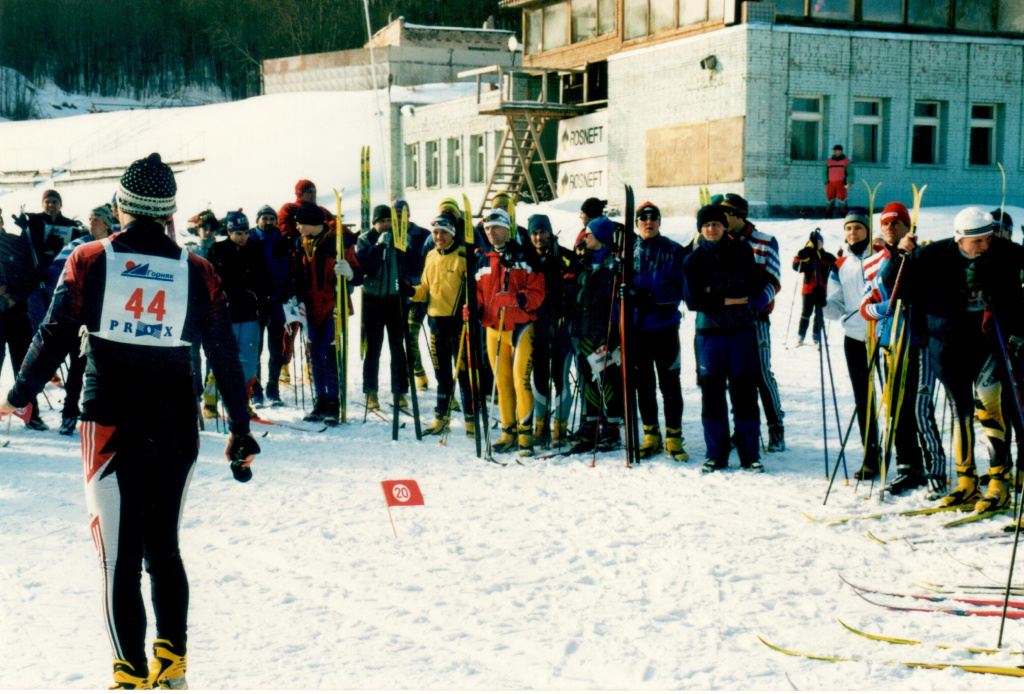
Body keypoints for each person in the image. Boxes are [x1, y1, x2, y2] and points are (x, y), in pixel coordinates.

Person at [0, 153, 260, 689]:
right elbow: (224, 355)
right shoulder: (199, 268)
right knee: (164, 548)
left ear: (121, 206)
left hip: (112, 423)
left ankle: (130, 674)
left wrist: (20, 394)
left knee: (119, 557)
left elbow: (53, 335)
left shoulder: (90, 258)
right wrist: (240, 425)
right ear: (169, 212)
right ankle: (173, 665)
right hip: (175, 424)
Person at [884, 207, 1024, 511]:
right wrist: (900, 257)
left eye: (989, 238)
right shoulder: (933, 255)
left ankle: (998, 482)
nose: (986, 245)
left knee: (989, 405)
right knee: (959, 411)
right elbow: (893, 287)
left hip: (989, 342)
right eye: (979, 242)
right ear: (960, 239)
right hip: (947, 345)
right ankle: (966, 482)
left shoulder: (1001, 250)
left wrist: (998, 285)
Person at [859, 202, 936, 496]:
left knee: (919, 406)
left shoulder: (922, 255)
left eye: (897, 223)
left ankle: (931, 463)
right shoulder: (873, 262)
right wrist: (885, 308)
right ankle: (907, 466)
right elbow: (865, 307)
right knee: (896, 406)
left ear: (907, 226)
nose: (890, 228)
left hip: (917, 340)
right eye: (886, 224)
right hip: (889, 343)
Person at [683, 205, 762, 472]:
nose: (711, 229)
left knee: (744, 394)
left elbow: (748, 285)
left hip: (740, 332)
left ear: (725, 226)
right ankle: (716, 454)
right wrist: (729, 297)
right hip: (709, 336)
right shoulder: (692, 261)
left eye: (716, 224)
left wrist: (711, 291)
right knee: (712, 395)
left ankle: (749, 454)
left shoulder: (741, 251)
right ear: (700, 229)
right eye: (706, 225)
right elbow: (693, 301)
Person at [472, 208, 544, 455]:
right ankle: (508, 432)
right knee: (501, 383)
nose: (491, 232)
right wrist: (473, 310)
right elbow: (479, 294)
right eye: (487, 228)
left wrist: (517, 299)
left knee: (520, 381)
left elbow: (537, 291)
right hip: (494, 329)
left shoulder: (524, 256)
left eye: (495, 227)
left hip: (521, 327)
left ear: (506, 228)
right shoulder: (483, 259)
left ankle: (525, 436)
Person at [721, 193, 785, 451]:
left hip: (755, 319)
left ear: (739, 215)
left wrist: (755, 306)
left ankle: (776, 428)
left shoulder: (765, 241)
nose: (721, 220)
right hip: (727, 321)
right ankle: (742, 429)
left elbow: (774, 281)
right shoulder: (720, 241)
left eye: (726, 214)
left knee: (760, 373)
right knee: (735, 377)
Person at [824, 208, 883, 479]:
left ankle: (908, 457)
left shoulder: (882, 256)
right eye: (848, 228)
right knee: (864, 398)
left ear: (868, 230)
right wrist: (819, 302)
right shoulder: (840, 265)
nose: (853, 233)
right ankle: (871, 455)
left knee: (892, 397)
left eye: (858, 228)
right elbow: (835, 306)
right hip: (855, 338)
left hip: (883, 337)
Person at [628, 201, 688, 461]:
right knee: (643, 385)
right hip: (638, 330)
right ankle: (651, 435)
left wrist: (650, 297)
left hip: (664, 329)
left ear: (659, 223)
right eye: (643, 219)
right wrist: (627, 295)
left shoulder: (673, 251)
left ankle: (674, 437)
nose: (648, 223)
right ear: (637, 223)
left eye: (653, 219)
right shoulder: (628, 252)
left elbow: (680, 290)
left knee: (670, 384)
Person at [290, 202, 360, 425]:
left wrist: (349, 273)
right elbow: (296, 274)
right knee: (314, 355)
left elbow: (358, 273)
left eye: (300, 223)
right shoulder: (301, 243)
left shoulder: (338, 241)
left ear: (312, 223)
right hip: (309, 309)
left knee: (331, 356)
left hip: (333, 308)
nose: (298, 227)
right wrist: (294, 295)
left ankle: (333, 401)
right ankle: (320, 400)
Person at [51, 204, 116, 435]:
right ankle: (69, 414)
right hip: (79, 318)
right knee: (78, 367)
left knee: (107, 370)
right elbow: (56, 271)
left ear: (107, 222)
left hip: (109, 317)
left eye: (97, 218)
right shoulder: (79, 245)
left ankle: (103, 417)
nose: (92, 222)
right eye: (90, 217)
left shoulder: (116, 246)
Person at [407, 215, 475, 436]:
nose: (439, 237)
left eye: (443, 233)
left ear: (453, 234)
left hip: (458, 324)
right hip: (436, 323)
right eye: (435, 233)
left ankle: (471, 420)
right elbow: (424, 289)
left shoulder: (463, 256)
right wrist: (410, 291)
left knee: (463, 374)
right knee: (442, 375)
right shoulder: (431, 256)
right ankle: (441, 419)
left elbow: (472, 292)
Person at [206, 211, 272, 415]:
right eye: (238, 233)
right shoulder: (217, 250)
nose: (243, 237)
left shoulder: (255, 249)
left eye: (245, 232)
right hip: (226, 315)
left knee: (249, 362)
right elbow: (209, 283)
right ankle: (210, 401)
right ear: (229, 231)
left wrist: (265, 310)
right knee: (223, 360)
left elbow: (265, 282)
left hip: (251, 315)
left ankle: (243, 403)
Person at [569, 215, 624, 451]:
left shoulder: (614, 264)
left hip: (606, 332)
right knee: (588, 380)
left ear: (600, 237)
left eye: (589, 234)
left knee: (607, 380)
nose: (585, 237)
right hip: (586, 330)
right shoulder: (586, 261)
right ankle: (590, 428)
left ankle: (611, 430)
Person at [529, 213, 581, 448]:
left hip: (561, 327)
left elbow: (574, 290)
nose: (539, 237)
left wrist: (566, 314)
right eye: (535, 233)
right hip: (537, 327)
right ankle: (541, 426)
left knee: (560, 378)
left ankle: (559, 427)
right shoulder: (528, 259)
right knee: (538, 377)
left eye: (542, 232)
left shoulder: (565, 257)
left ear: (550, 233)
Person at [356, 204, 409, 413]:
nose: (386, 225)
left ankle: (400, 392)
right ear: (375, 223)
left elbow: (410, 263)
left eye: (389, 221)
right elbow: (365, 266)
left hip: (394, 298)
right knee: (373, 348)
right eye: (382, 221)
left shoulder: (399, 238)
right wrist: (378, 246)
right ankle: (371, 392)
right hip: (373, 299)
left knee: (398, 348)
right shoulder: (365, 239)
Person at [249, 205, 290, 406]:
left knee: (276, 349)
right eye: (264, 218)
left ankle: (273, 388)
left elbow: (291, 272)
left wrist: (288, 294)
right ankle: (255, 389)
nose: (268, 222)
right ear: (257, 221)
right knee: (255, 349)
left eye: (271, 218)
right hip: (255, 305)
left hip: (277, 305)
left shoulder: (283, 241)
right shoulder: (249, 241)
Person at [393, 200, 432, 392]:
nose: (399, 219)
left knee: (411, 334)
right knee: (403, 337)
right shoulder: (390, 235)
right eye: (396, 216)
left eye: (402, 215)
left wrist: (410, 249)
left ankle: (415, 374)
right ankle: (417, 370)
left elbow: (427, 262)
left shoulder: (422, 234)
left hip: (418, 292)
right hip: (398, 293)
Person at [792, 229, 836, 346]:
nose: (818, 245)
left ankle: (816, 337)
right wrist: (799, 256)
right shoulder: (807, 256)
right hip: (808, 289)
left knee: (819, 313)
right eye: (816, 243)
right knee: (806, 312)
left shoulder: (828, 257)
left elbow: (836, 267)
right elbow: (796, 267)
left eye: (820, 243)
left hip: (822, 290)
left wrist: (840, 257)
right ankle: (800, 336)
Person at [824, 144, 853, 219]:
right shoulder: (829, 162)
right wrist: (825, 181)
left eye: (838, 150)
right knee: (829, 199)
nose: (837, 152)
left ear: (841, 151)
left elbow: (851, 172)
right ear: (833, 151)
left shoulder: (846, 161)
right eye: (835, 150)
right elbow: (824, 172)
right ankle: (828, 216)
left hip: (841, 183)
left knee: (842, 199)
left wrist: (850, 181)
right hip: (830, 184)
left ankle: (843, 216)